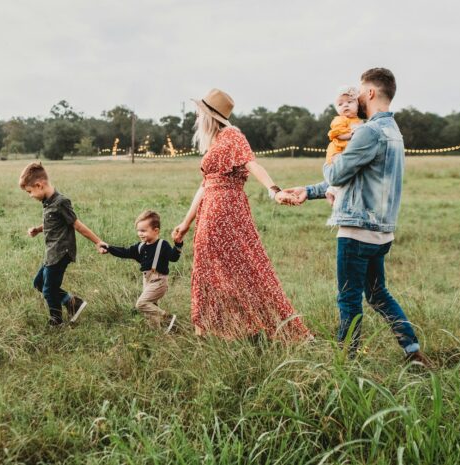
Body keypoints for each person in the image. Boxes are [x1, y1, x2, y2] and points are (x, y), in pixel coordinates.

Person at [284, 68, 430, 365]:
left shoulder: (368, 131)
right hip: (381, 232)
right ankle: (412, 351)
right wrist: (309, 191)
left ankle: (346, 363)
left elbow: (337, 172)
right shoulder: (393, 132)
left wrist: (331, 159)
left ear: (372, 93)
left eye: (361, 92)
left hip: (356, 231)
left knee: (349, 299)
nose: (358, 97)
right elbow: (356, 179)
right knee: (377, 295)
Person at [171, 88, 312, 341]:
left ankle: (251, 325)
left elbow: (252, 163)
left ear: (209, 116)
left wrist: (274, 190)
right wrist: (185, 223)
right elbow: (205, 185)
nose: (196, 117)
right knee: (210, 269)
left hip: (225, 209)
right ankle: (214, 329)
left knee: (242, 267)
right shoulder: (215, 141)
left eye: (199, 113)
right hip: (211, 209)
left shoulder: (232, 135)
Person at [19, 162, 104, 326]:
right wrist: (38, 229)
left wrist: (98, 242)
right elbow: (54, 223)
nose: (30, 195)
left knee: (49, 289)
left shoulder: (61, 202)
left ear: (39, 185)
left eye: (30, 192)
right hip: (51, 253)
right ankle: (72, 303)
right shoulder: (48, 202)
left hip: (60, 253)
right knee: (39, 283)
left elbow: (77, 225)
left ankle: (56, 321)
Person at [99, 210, 181, 333]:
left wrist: (178, 244)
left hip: (159, 281)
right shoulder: (140, 246)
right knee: (151, 310)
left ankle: (167, 317)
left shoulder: (162, 245)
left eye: (143, 230)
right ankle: (158, 332)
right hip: (146, 280)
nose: (140, 234)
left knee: (141, 304)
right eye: (138, 230)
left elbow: (173, 257)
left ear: (156, 230)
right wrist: (109, 248)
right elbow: (125, 252)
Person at [325, 86, 363, 206]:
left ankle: (332, 191)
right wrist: (351, 135)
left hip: (347, 152)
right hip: (337, 152)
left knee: (349, 174)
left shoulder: (358, 121)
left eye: (349, 102)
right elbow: (338, 134)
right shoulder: (340, 120)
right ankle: (334, 193)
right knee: (344, 172)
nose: (345, 105)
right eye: (340, 104)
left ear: (357, 104)